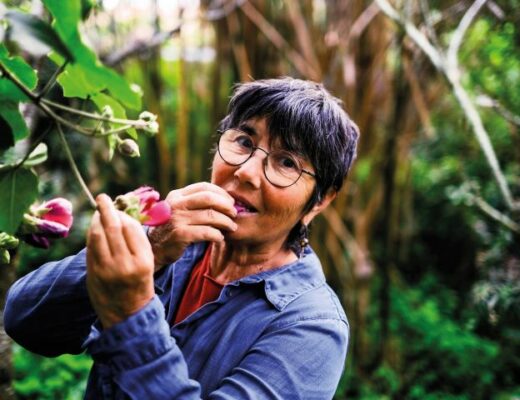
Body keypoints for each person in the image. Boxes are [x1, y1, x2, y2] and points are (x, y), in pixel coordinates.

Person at [4, 77, 359, 399]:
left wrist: (131, 310)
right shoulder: (168, 238)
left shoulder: (313, 325)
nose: (246, 171)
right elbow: (25, 321)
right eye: (244, 141)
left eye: (286, 163)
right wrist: (151, 247)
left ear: (320, 201)